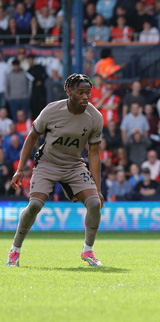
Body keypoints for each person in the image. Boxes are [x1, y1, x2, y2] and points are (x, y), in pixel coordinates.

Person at [7, 74, 104, 267]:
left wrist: (98, 189)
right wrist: (20, 169)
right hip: (47, 163)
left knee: (94, 203)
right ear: (69, 92)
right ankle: (14, 251)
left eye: (88, 93)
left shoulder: (95, 117)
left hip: (74, 164)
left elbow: (94, 153)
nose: (85, 97)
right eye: (80, 92)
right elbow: (32, 138)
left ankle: (88, 251)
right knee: (34, 205)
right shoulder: (52, 111)